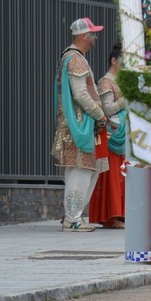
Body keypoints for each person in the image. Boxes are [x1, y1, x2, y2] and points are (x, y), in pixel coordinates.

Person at [52, 17, 109, 232]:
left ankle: (73, 216)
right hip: (79, 126)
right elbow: (81, 94)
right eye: (93, 34)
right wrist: (99, 115)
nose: (96, 38)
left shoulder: (69, 57)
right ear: (83, 36)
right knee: (80, 172)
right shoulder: (76, 59)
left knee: (82, 171)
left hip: (76, 125)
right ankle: (73, 219)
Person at [86, 44, 128, 229]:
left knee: (121, 174)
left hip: (122, 133)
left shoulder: (121, 81)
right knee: (111, 175)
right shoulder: (105, 82)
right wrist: (126, 98)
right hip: (112, 133)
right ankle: (110, 215)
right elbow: (108, 108)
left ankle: (121, 213)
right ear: (114, 60)